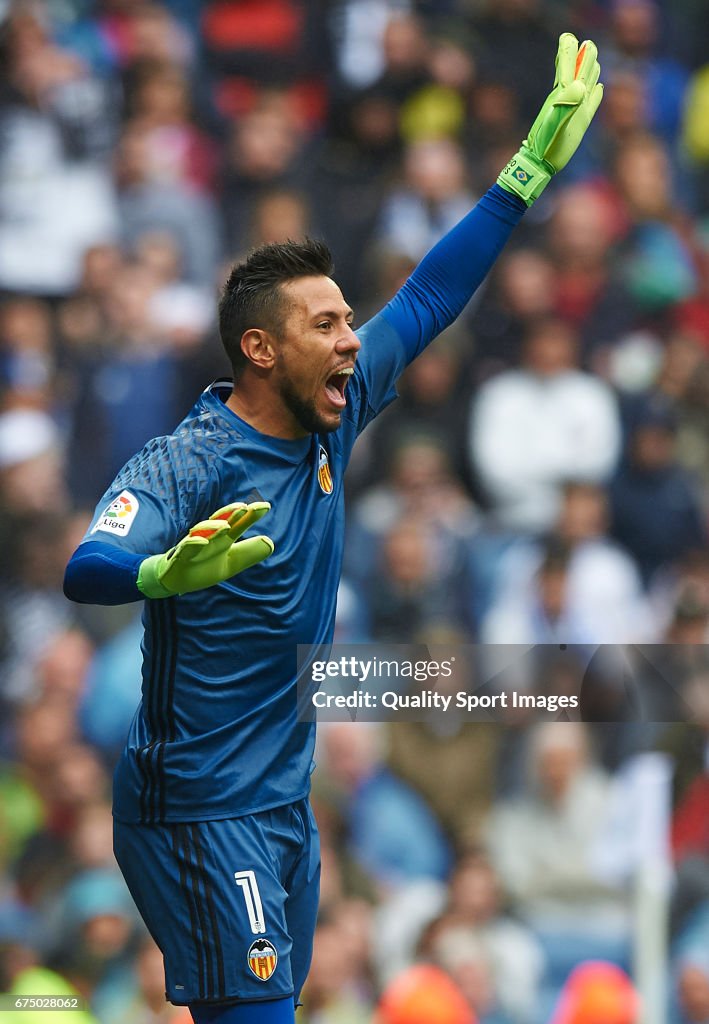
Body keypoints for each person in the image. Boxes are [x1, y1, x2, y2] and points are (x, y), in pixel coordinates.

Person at [63, 34, 603, 1024]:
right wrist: (157, 577)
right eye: (327, 324)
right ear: (260, 349)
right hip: (197, 805)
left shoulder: (336, 411)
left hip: (278, 800)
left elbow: (431, 297)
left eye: (349, 319)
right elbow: (89, 562)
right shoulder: (188, 462)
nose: (353, 338)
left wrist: (521, 177)